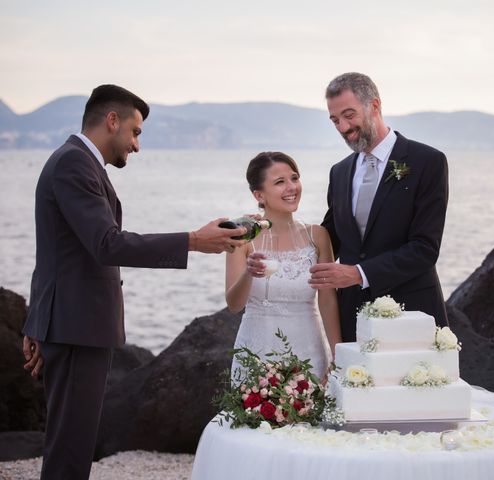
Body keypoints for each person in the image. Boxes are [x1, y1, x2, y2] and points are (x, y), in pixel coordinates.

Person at [21, 84, 247, 480]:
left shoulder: (75, 162)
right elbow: (106, 245)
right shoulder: (74, 164)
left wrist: (35, 320)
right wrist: (192, 241)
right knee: (70, 447)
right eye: (135, 132)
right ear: (112, 121)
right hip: (77, 329)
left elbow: (55, 252)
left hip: (73, 324)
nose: (136, 146)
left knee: (71, 442)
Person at [310, 72, 449, 341]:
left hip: (413, 312)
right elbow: (330, 238)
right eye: (335, 120)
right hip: (353, 317)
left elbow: (425, 248)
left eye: (349, 115)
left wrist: (358, 274)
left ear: (374, 105)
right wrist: (274, 231)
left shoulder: (427, 161)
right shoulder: (339, 172)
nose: (343, 127)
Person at [225, 151, 341, 379]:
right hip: (256, 355)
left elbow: (327, 300)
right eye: (280, 182)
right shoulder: (242, 237)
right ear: (259, 194)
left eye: (294, 178)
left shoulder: (317, 236)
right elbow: (234, 304)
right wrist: (249, 273)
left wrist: (338, 357)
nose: (291, 187)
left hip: (309, 353)